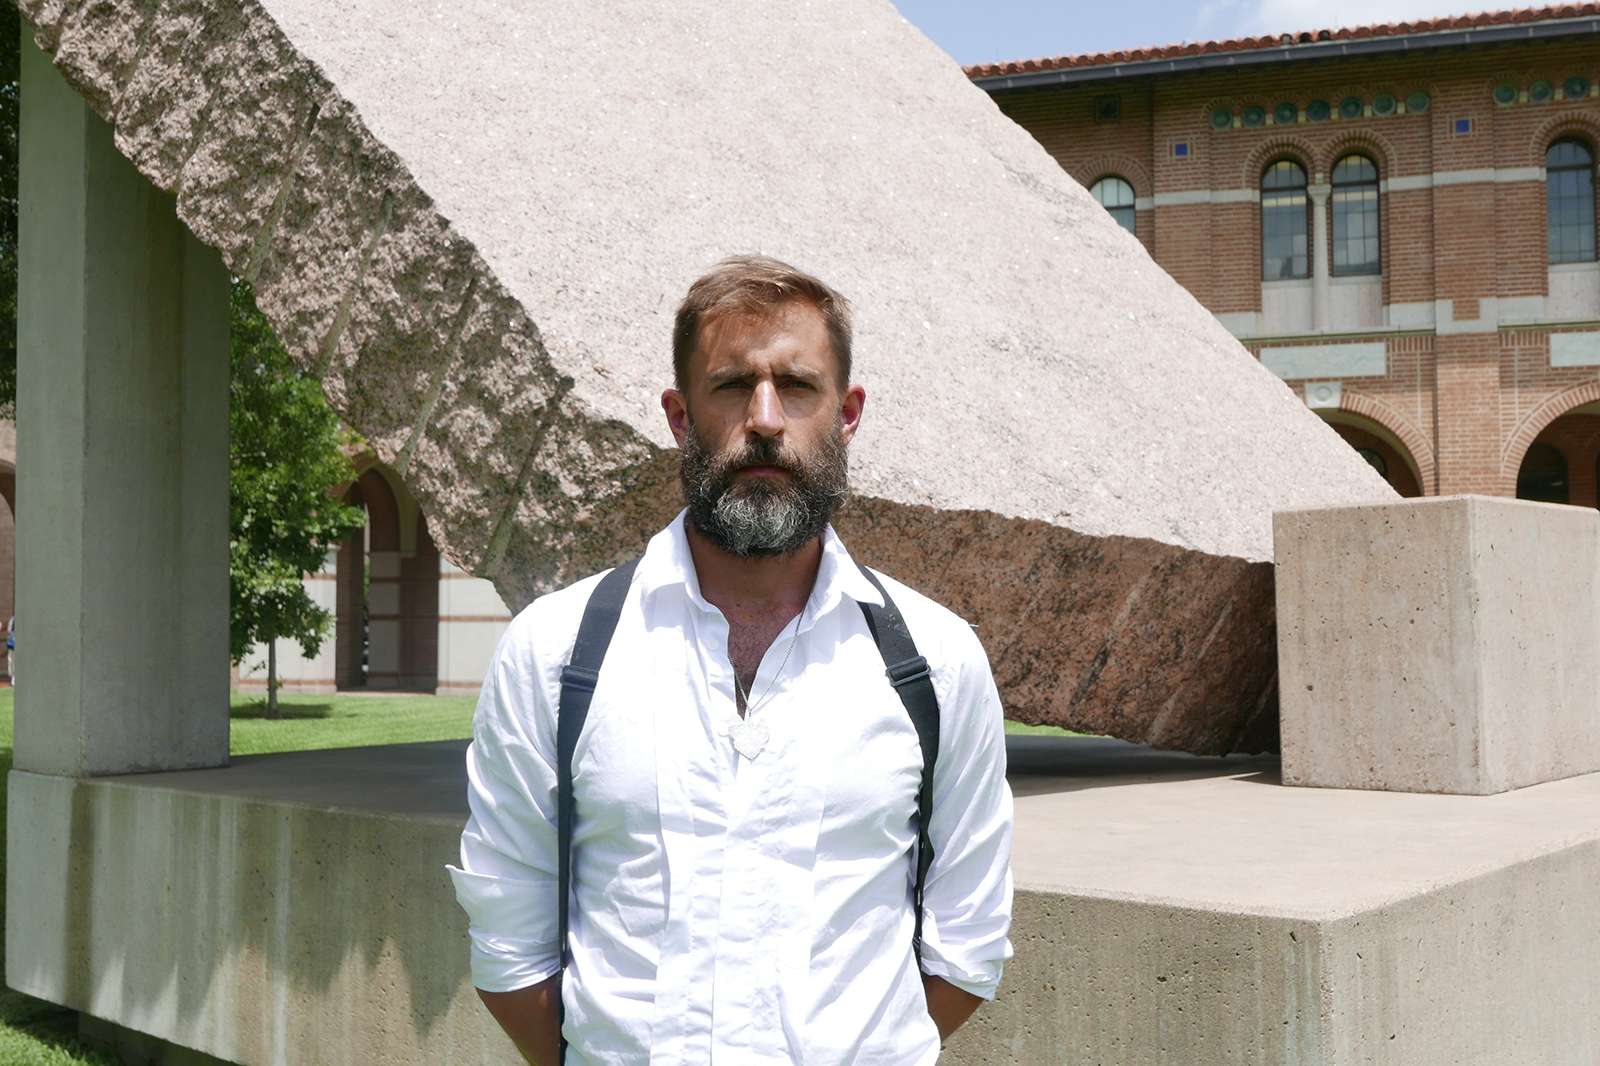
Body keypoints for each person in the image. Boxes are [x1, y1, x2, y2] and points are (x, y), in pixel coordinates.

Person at [448, 256, 1014, 1064]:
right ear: (680, 417)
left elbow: (968, 944)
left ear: (847, 414)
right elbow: (509, 946)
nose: (766, 419)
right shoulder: (556, 651)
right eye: (730, 387)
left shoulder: (936, 661)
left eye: (798, 386)